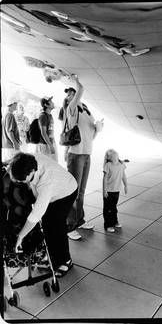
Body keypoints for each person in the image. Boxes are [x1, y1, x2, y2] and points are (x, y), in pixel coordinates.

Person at [9, 152, 78, 277]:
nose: (21, 182)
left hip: (66, 192)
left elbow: (35, 215)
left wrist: (20, 237)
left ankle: (66, 261)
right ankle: (51, 255)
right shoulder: (28, 159)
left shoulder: (46, 183)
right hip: (53, 188)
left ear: (31, 172)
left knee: (56, 226)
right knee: (46, 224)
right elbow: (16, 161)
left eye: (22, 180)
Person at [59, 75, 103, 240]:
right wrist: (75, 82)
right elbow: (81, 90)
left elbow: (90, 137)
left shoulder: (87, 113)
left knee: (81, 192)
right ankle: (70, 226)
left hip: (86, 155)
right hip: (76, 155)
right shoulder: (71, 109)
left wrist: (98, 129)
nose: (71, 95)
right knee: (73, 192)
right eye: (69, 94)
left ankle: (79, 220)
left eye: (72, 93)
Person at [103, 149, 128, 233]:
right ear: (109, 158)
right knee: (108, 209)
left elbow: (123, 175)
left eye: (115, 154)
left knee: (114, 207)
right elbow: (105, 178)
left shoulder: (121, 165)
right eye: (111, 155)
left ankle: (114, 221)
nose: (114, 155)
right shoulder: (108, 165)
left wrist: (126, 185)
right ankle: (108, 225)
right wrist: (104, 190)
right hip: (109, 191)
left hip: (116, 190)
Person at [36, 96, 58, 161]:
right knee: (47, 166)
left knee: (55, 164)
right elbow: (43, 132)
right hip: (45, 145)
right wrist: (50, 146)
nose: (53, 103)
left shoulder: (50, 116)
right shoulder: (43, 116)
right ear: (46, 105)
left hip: (50, 143)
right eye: (51, 102)